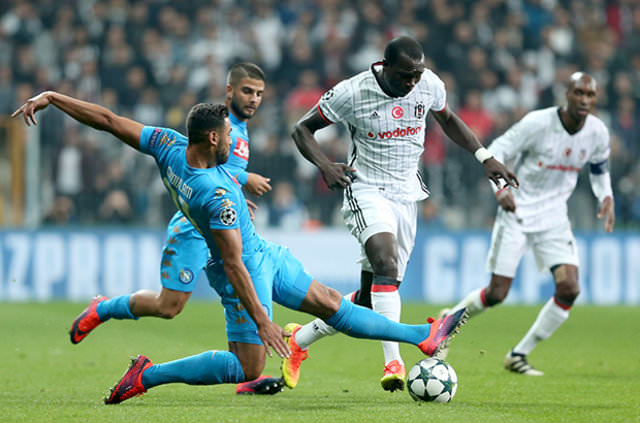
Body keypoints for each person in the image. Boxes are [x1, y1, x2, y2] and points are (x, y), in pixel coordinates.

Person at [13, 91, 469, 405]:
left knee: (332, 303)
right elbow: (233, 265)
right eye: (228, 137)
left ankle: (422, 335)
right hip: (244, 273)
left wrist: (54, 97)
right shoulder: (217, 198)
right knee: (247, 368)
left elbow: (110, 122)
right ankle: (146, 375)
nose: (233, 142)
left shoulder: (169, 146)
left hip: (263, 253)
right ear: (213, 138)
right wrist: (264, 320)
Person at [288, 35, 518, 392]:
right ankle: (393, 362)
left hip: (407, 195)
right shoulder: (352, 91)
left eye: (417, 75)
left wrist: (484, 157)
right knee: (386, 260)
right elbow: (301, 129)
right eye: (404, 76)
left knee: (370, 299)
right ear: (385, 67)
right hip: (365, 188)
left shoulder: (429, 84)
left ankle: (299, 339)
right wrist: (325, 165)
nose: (412, 83)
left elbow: (448, 119)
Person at [69, 62, 277, 394]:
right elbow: (112, 122)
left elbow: (217, 174)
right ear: (229, 92)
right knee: (169, 306)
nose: (254, 99)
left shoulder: (235, 130)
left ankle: (246, 373)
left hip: (223, 222)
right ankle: (103, 308)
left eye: (259, 94)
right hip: (195, 228)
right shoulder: (213, 131)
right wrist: (243, 179)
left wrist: (237, 197)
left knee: (262, 284)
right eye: (247, 92)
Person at [439, 72, 615, 375]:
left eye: (590, 95)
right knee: (496, 293)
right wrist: (501, 190)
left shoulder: (597, 132)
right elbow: (497, 151)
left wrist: (606, 195)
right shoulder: (538, 123)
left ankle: (518, 354)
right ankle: (445, 326)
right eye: (579, 93)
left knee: (570, 289)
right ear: (566, 94)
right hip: (517, 213)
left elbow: (600, 169)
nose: (584, 100)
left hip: (554, 219)